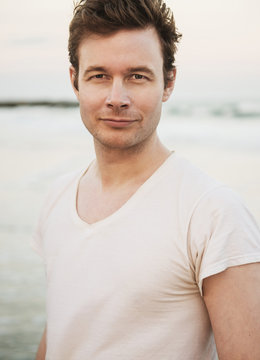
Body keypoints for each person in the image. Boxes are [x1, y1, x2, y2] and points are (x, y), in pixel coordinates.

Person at [32, 0, 260, 359]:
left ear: (168, 82)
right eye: (99, 75)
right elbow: (63, 331)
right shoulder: (57, 196)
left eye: (137, 76)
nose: (116, 98)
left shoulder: (213, 211)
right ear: (75, 80)